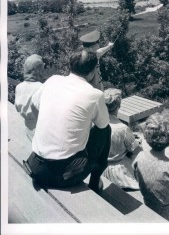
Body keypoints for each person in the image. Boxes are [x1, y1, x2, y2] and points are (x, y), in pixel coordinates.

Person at [23, 50, 111, 193]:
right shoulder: (95, 95)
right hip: (64, 176)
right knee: (106, 130)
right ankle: (95, 182)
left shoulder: (53, 80)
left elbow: (33, 104)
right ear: (93, 70)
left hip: (35, 167)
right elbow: (103, 125)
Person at [102, 88, 142, 190]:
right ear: (118, 106)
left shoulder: (96, 123)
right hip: (119, 170)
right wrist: (137, 142)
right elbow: (135, 150)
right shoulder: (123, 129)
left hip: (102, 166)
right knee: (140, 151)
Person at [15, 54, 44, 141]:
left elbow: (17, 108)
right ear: (38, 70)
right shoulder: (42, 88)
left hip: (27, 126)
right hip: (39, 129)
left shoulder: (19, 87)